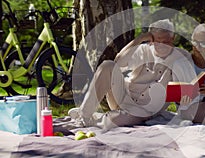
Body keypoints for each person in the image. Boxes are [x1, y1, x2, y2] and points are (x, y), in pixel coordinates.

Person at [68, 19, 196, 130]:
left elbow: (186, 84)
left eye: (166, 41)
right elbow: (118, 62)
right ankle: (84, 115)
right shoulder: (142, 50)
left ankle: (98, 118)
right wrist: (139, 39)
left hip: (146, 109)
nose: (162, 45)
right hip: (123, 97)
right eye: (158, 41)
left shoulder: (181, 56)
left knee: (113, 121)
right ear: (151, 40)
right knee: (108, 65)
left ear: (173, 39)